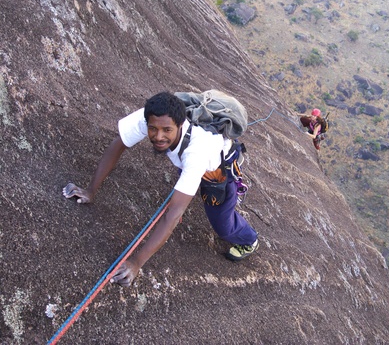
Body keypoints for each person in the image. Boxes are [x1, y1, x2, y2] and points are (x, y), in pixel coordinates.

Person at [62, 91, 259, 287]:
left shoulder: (196, 153)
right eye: (153, 129)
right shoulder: (152, 116)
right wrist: (90, 190)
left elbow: (173, 213)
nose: (158, 136)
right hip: (192, 158)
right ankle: (189, 180)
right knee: (185, 173)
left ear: (180, 125)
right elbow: (118, 146)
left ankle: (249, 240)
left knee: (222, 224)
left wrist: (136, 263)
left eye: (166, 130)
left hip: (216, 168)